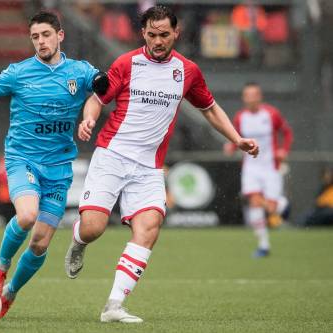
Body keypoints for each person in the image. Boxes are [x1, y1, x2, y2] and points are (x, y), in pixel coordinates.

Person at [64, 5, 259, 323]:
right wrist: (88, 119)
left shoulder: (188, 71)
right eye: (152, 35)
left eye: (164, 35)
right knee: (94, 227)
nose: (158, 41)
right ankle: (78, 239)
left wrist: (236, 138)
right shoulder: (126, 63)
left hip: (149, 168)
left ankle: (113, 306)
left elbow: (209, 108)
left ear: (176, 33)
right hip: (112, 156)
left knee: (149, 228)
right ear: (143, 33)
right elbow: (98, 98)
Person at [0, 10, 109, 320]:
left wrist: (89, 115)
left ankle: (10, 292)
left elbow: (99, 89)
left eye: (46, 35)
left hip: (59, 167)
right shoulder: (19, 73)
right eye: (35, 37)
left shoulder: (79, 71)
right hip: (23, 158)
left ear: (60, 36)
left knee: (41, 242)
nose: (41, 41)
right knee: (28, 215)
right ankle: (0, 266)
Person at [224, 82, 293, 258]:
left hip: (270, 167)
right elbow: (237, 137)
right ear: (244, 98)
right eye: (248, 95)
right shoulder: (241, 117)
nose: (251, 98)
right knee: (254, 201)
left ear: (259, 96)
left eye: (254, 94)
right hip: (251, 168)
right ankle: (263, 245)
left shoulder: (271, 114)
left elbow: (287, 133)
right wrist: (231, 147)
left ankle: (281, 205)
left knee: (270, 208)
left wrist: (283, 150)